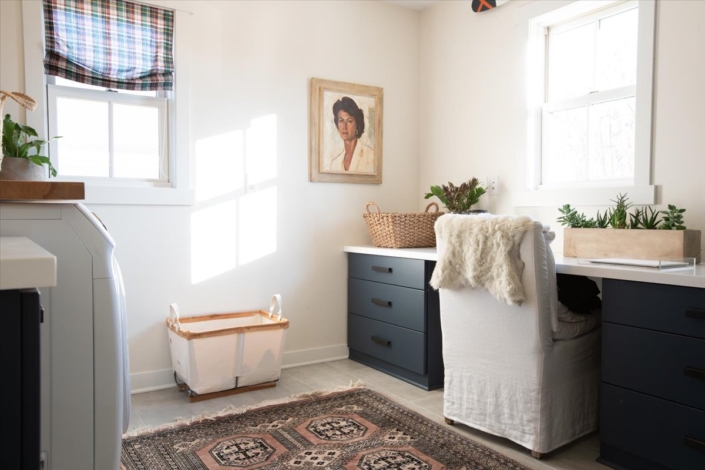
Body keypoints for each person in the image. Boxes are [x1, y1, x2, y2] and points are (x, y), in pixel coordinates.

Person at [327, 97, 375, 173]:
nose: (344, 126)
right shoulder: (335, 163)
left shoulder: (371, 156)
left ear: (357, 124)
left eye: (349, 121)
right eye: (341, 121)